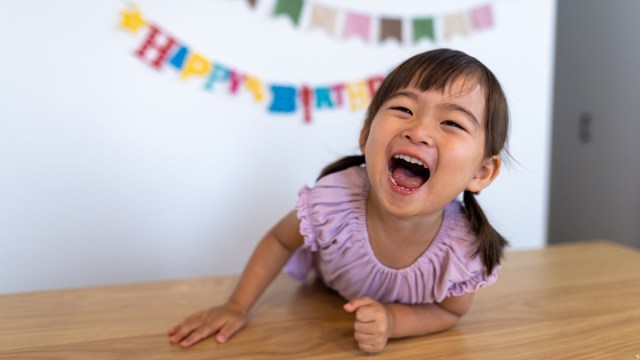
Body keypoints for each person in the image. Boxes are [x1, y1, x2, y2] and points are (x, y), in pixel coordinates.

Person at [168, 48, 509, 353]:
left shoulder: (465, 250)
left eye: (451, 122)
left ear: (480, 172)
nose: (418, 131)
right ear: (365, 134)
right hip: (316, 304)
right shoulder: (333, 202)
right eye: (404, 109)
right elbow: (278, 240)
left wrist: (392, 321)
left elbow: (449, 312)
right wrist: (236, 306)